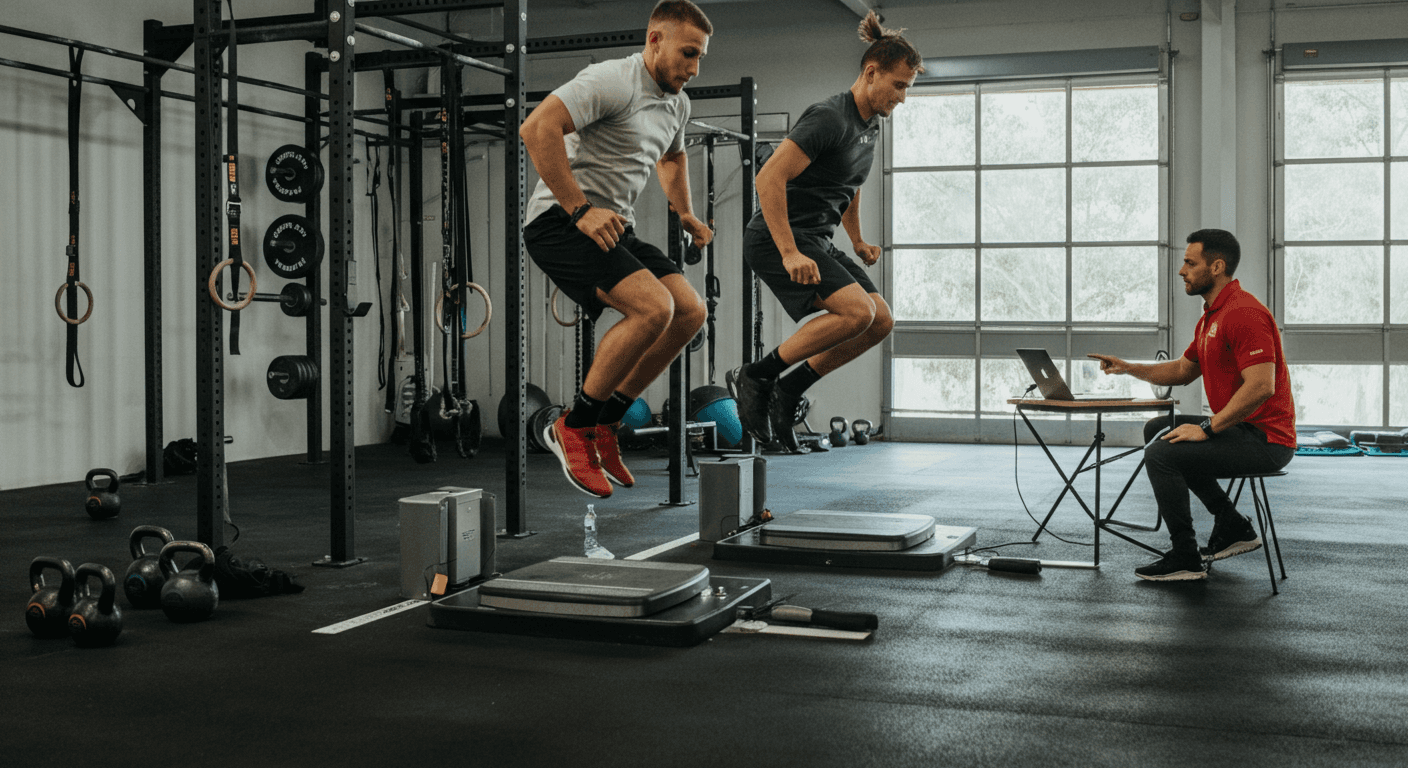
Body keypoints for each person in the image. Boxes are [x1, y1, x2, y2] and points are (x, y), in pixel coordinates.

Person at [519, 1, 713, 498]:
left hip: (612, 226)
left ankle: (606, 421)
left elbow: (671, 158)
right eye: (688, 53)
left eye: (700, 57)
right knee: (653, 308)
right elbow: (536, 129)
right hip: (559, 221)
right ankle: (572, 427)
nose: (694, 68)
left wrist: (685, 213)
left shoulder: (677, 104)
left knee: (689, 312)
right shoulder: (612, 80)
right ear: (655, 40)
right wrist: (580, 209)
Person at [727, 11, 920, 452]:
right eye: (899, 86)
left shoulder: (869, 126)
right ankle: (755, 376)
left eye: (908, 87)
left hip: (817, 238)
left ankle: (789, 390)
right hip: (777, 237)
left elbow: (849, 187)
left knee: (880, 321)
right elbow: (768, 178)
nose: (903, 98)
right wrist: (790, 253)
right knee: (857, 313)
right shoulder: (830, 117)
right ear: (871, 73)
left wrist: (857, 239)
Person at [1089, 229, 1296, 582]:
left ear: (1216, 267)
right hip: (1242, 430)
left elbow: (1262, 386)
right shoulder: (1211, 317)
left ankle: (1185, 556)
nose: (1181, 270)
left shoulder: (1244, 313)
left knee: (1162, 453)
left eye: (1190, 262)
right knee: (1158, 429)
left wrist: (1207, 429)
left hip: (1267, 440)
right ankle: (1231, 524)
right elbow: (1183, 370)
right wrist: (1128, 367)